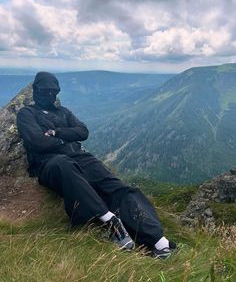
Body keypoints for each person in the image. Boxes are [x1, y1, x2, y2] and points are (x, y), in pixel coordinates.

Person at [17, 72, 176, 259]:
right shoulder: (26, 113)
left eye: (54, 92)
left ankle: (159, 241)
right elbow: (37, 141)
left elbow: (83, 131)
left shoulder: (64, 112)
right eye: (45, 91)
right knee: (64, 165)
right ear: (35, 90)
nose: (50, 95)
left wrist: (55, 133)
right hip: (48, 163)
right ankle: (109, 220)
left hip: (80, 157)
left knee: (119, 188)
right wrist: (66, 138)